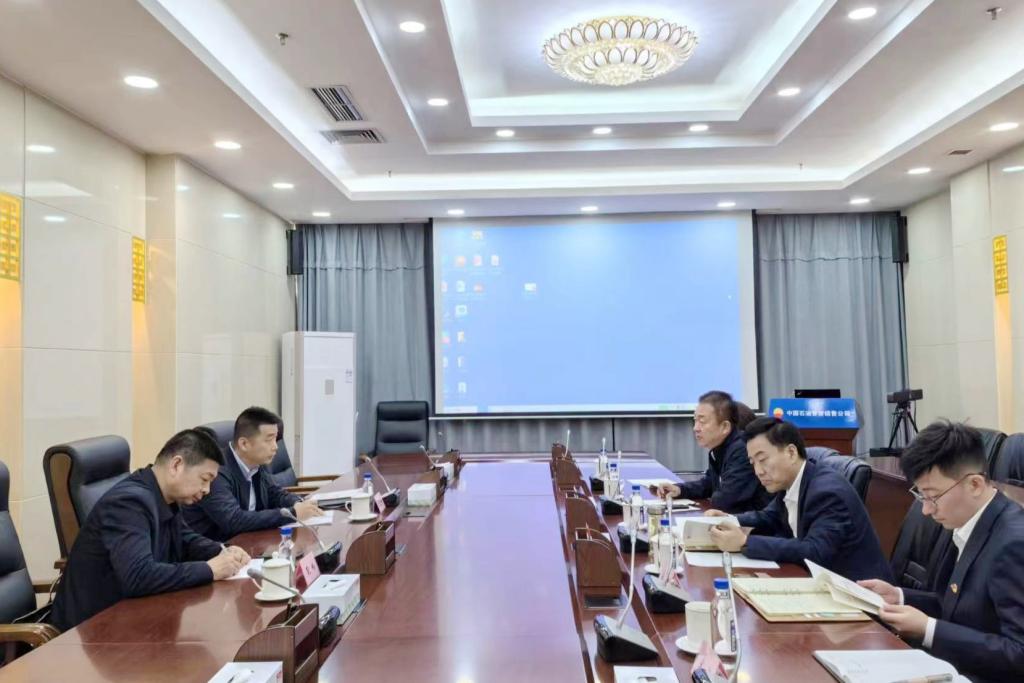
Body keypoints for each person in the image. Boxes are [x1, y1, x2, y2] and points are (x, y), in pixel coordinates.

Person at [859, 420, 1024, 683]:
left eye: (932, 496)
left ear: (974, 485)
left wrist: (928, 630)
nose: (926, 510)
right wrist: (898, 597)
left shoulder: (1014, 543)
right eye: (921, 496)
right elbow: (955, 607)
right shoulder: (969, 521)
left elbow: (1018, 653)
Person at [49, 429, 249, 632]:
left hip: (132, 616)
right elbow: (138, 576)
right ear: (176, 465)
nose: (207, 490)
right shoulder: (128, 502)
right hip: (91, 631)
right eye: (204, 479)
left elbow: (183, 539)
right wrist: (210, 569)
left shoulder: (162, 494)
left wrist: (222, 550)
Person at [708, 416, 891, 581]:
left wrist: (745, 542)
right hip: (820, 581)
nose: (758, 471)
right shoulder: (792, 481)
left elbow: (815, 551)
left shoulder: (827, 492)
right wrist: (729, 519)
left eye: (762, 460)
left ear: (791, 453)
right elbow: (769, 516)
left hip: (859, 592)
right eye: (753, 463)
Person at [183, 407, 324, 541]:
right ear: (244, 444)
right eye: (269, 440)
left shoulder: (256, 463)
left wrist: (301, 504)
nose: (275, 447)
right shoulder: (216, 472)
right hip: (218, 547)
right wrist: (293, 513)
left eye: (275, 439)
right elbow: (233, 520)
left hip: (251, 541)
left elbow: (276, 494)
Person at [654, 391, 770, 513]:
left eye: (702, 422)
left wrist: (712, 495)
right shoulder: (719, 448)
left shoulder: (742, 449)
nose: (695, 428)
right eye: (695, 420)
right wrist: (680, 489)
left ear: (725, 427)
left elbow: (726, 499)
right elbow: (709, 484)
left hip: (755, 522)